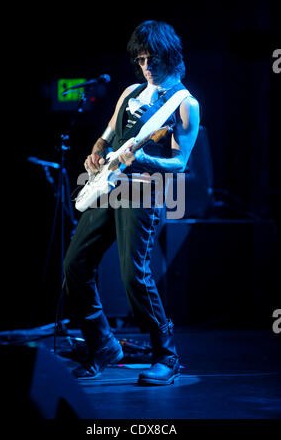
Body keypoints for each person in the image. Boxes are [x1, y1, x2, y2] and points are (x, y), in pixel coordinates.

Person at [63, 20, 200, 385]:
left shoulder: (184, 104)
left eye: (152, 58)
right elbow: (105, 137)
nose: (146, 65)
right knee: (74, 265)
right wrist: (95, 155)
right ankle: (103, 344)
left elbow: (180, 163)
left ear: (169, 56)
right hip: (108, 187)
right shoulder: (130, 92)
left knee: (133, 276)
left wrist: (141, 159)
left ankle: (166, 355)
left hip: (144, 192)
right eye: (140, 59)